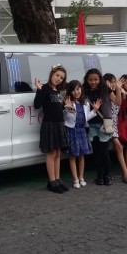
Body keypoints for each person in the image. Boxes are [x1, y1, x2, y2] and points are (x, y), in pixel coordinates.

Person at [34, 64, 69, 193]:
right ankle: (52, 181)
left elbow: (58, 108)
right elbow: (37, 105)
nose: (59, 78)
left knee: (58, 153)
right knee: (51, 153)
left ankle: (57, 179)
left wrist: (66, 106)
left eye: (61, 77)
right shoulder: (44, 88)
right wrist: (39, 89)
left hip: (59, 124)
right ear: (51, 74)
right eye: (57, 75)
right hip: (49, 124)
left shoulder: (59, 92)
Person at [63, 79, 101, 188]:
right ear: (70, 91)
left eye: (78, 89)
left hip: (81, 131)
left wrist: (94, 110)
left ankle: (81, 177)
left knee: (81, 155)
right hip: (71, 131)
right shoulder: (68, 102)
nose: (76, 92)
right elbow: (64, 118)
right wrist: (67, 109)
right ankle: (75, 179)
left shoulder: (85, 102)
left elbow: (86, 118)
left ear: (81, 89)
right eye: (73, 90)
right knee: (72, 156)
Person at [104, 73, 127, 184]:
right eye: (110, 82)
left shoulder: (114, 93)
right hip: (108, 123)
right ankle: (125, 172)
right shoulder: (105, 93)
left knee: (125, 146)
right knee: (119, 146)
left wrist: (119, 91)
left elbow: (119, 105)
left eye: (115, 81)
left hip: (116, 123)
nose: (113, 84)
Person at [83, 68, 113, 185]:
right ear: (87, 80)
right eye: (90, 80)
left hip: (103, 124)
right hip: (91, 125)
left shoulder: (105, 89)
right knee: (96, 152)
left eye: (96, 79)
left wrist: (119, 90)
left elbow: (118, 102)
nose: (93, 82)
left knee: (104, 151)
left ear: (100, 79)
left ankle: (108, 175)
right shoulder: (84, 90)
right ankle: (100, 176)